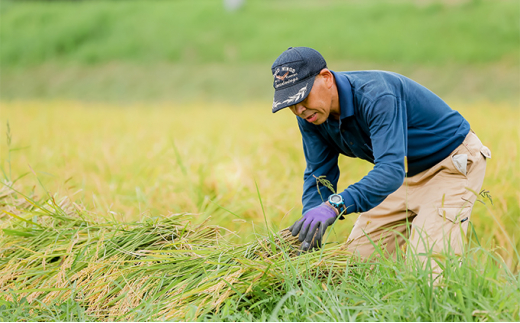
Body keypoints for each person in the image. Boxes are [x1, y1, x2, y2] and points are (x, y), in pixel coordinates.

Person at [271, 47, 491, 271]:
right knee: (353, 266)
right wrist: (311, 222)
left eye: (303, 96)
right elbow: (319, 174)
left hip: (449, 165)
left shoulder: (376, 95)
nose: (299, 109)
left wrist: (335, 205)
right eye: (290, 104)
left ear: (326, 78)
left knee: (427, 269)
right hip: (403, 173)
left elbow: (389, 171)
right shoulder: (311, 116)